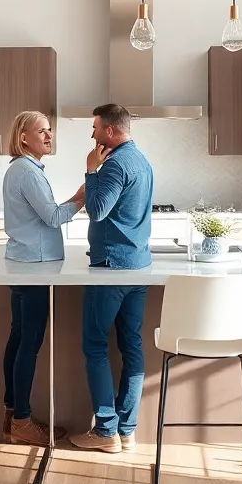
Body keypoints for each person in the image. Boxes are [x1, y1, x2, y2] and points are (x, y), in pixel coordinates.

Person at [68, 103, 154, 454]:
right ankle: (127, 430)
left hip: (111, 267)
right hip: (138, 265)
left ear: (110, 132)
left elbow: (98, 209)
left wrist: (91, 171)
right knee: (132, 346)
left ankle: (106, 431)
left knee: (95, 345)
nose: (91, 134)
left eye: (94, 127)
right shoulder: (142, 161)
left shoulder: (115, 163)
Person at [0, 111, 84, 446]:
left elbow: (44, 214)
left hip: (24, 262)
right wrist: (82, 197)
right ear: (23, 137)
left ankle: (12, 415)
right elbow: (52, 217)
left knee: (19, 338)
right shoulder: (27, 170)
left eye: (50, 130)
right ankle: (22, 422)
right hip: (34, 265)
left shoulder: (21, 168)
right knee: (29, 343)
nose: (50, 136)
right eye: (42, 131)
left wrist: (72, 200)